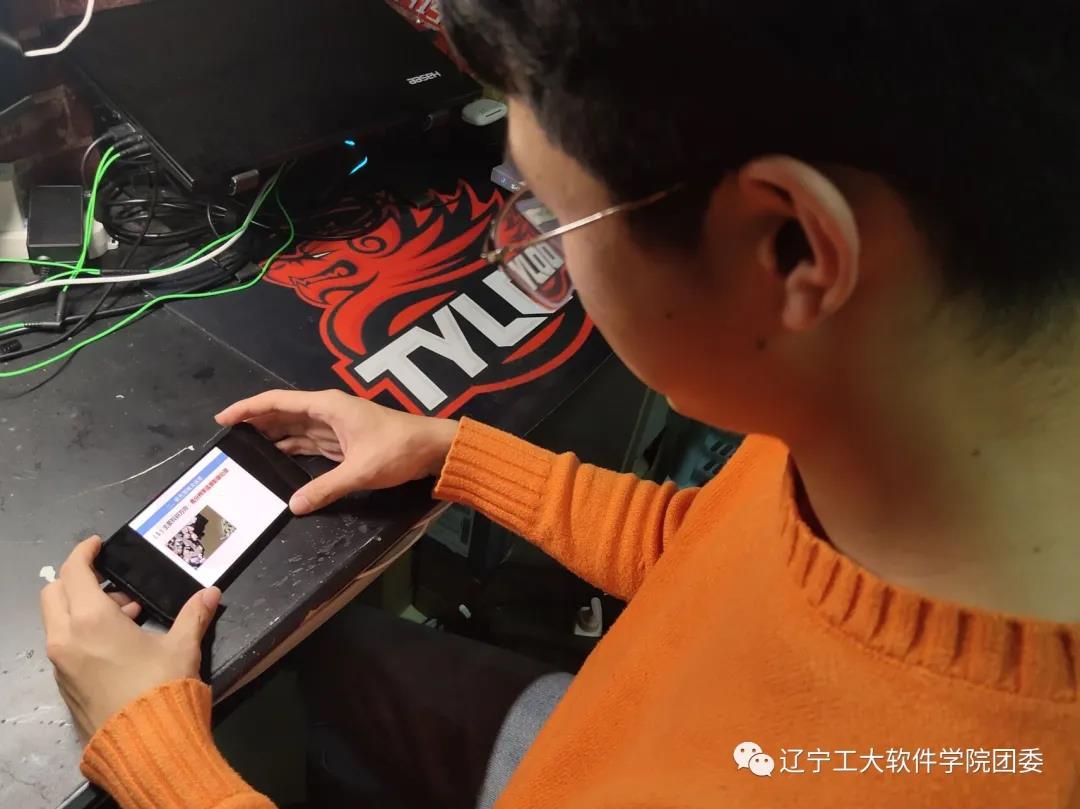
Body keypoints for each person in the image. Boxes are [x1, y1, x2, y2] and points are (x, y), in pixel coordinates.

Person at [39, 1, 1080, 806]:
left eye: (548, 209)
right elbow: (722, 555)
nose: (532, 245)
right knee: (299, 664)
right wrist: (452, 450)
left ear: (790, 246)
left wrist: (162, 765)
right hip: (612, 729)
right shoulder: (898, 427)